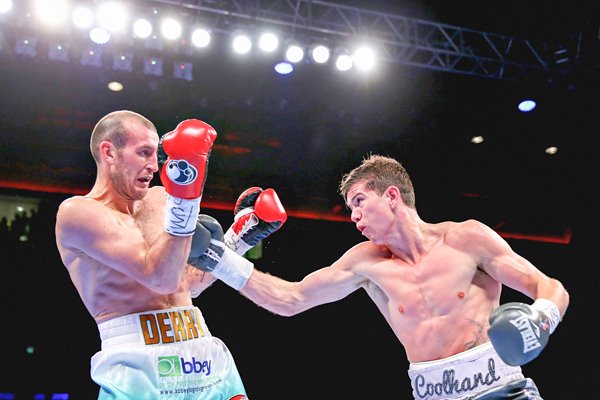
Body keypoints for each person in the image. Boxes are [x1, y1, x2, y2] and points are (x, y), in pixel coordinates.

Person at [197, 154, 570, 400]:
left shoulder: (466, 238)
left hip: (503, 390)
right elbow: (291, 299)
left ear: (392, 195)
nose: (354, 216)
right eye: (350, 208)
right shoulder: (366, 262)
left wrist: (542, 317)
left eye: (360, 201)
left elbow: (549, 287)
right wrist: (218, 259)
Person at [55, 110, 278, 399]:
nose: (154, 166)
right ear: (109, 152)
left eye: (156, 156)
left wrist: (239, 239)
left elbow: (188, 283)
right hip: (138, 364)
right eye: (144, 152)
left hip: (201, 351)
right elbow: (159, 279)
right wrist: (187, 197)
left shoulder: (161, 199)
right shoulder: (78, 213)